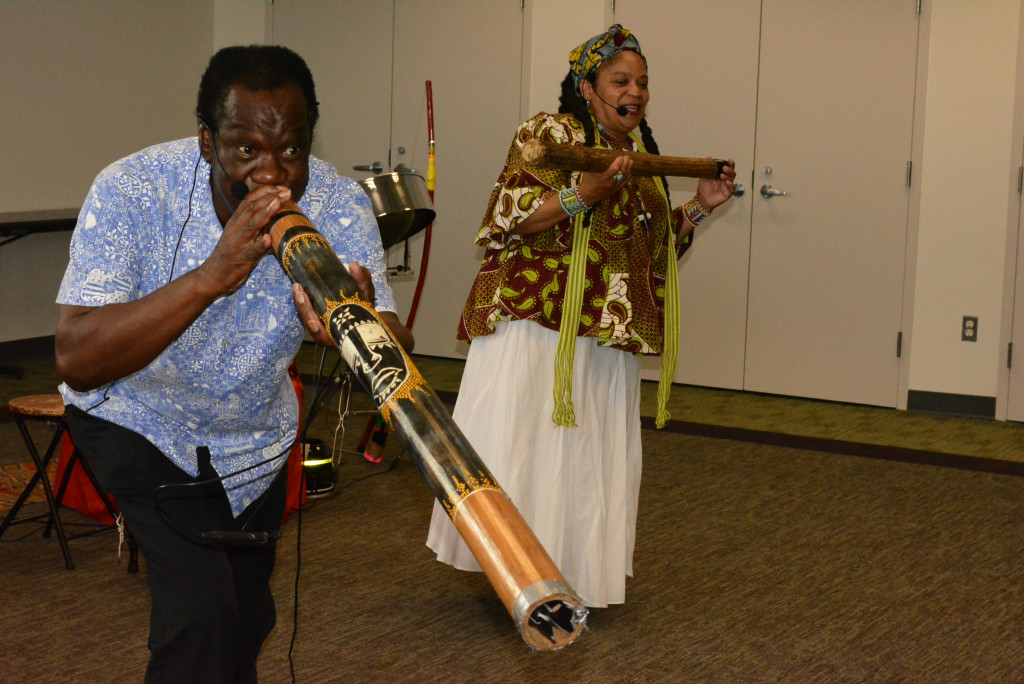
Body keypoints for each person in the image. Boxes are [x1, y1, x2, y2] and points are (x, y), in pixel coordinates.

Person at [55, 45, 412, 682]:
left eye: (292, 150)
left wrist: (351, 327)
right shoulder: (132, 189)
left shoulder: (337, 202)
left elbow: (392, 341)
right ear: (205, 139)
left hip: (253, 438)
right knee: (202, 615)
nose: (273, 175)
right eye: (246, 150)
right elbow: (78, 357)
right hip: (139, 419)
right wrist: (210, 277)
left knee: (247, 620)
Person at [426, 25, 735, 608]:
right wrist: (583, 193)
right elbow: (510, 214)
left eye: (643, 82)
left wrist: (697, 208)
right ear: (588, 87)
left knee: (587, 459)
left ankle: (571, 573)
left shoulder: (641, 157)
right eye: (621, 80)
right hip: (541, 327)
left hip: (604, 333)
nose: (636, 92)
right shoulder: (549, 132)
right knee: (533, 451)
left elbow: (651, 249)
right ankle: (516, 572)